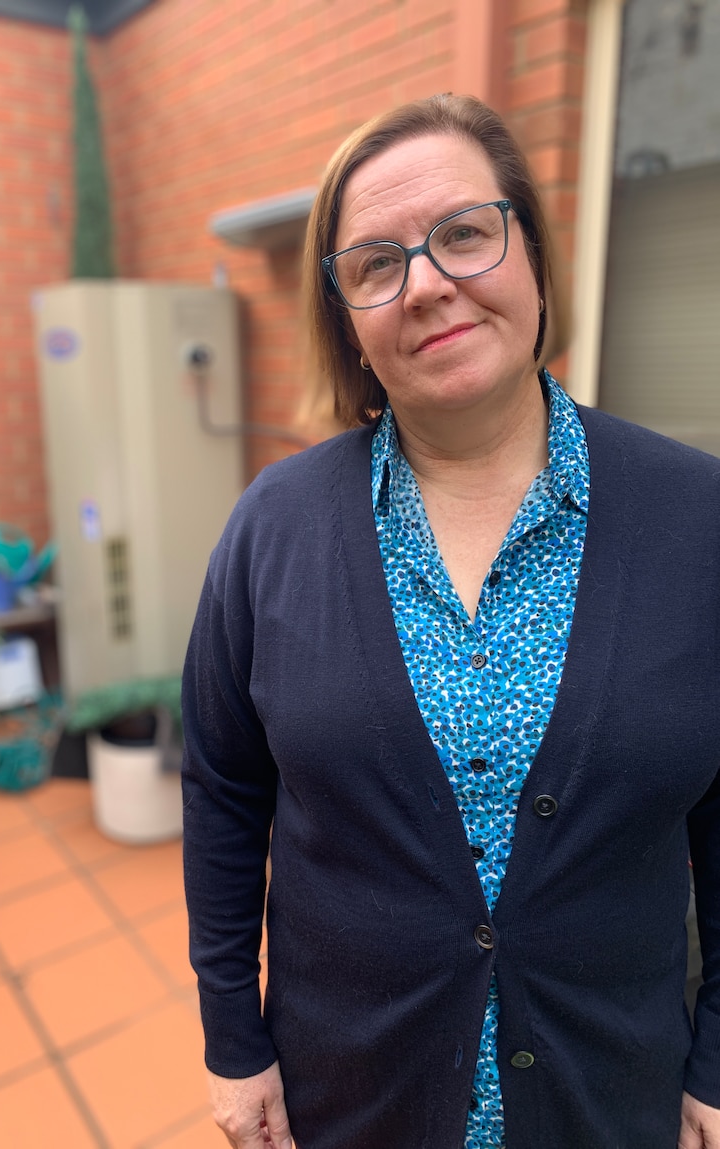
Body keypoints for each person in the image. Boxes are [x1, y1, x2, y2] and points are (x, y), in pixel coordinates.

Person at [181, 94, 720, 1149]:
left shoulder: (697, 523)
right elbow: (223, 791)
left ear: (531, 252)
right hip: (352, 1093)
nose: (425, 283)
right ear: (345, 317)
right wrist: (230, 1040)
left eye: (464, 233)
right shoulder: (270, 531)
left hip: (610, 1095)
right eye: (375, 264)